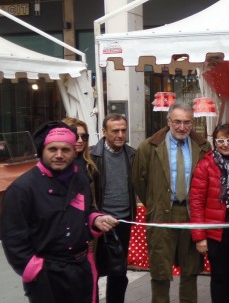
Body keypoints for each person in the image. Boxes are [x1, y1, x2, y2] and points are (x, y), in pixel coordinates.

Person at [1, 121, 118, 303]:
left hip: (81, 270)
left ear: (74, 151)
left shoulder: (80, 178)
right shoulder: (22, 189)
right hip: (46, 274)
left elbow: (88, 210)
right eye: (52, 149)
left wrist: (95, 219)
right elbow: (13, 239)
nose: (59, 155)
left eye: (65, 150)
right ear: (42, 151)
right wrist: (33, 269)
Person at [132, 102, 212, 303]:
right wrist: (155, 204)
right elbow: (138, 181)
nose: (182, 127)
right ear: (168, 121)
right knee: (160, 271)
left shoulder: (203, 147)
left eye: (187, 122)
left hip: (191, 215)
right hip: (161, 215)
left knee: (191, 270)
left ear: (193, 123)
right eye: (177, 122)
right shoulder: (149, 147)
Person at [190, 123, 229, 303]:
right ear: (215, 142)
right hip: (215, 231)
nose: (225, 144)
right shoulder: (205, 165)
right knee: (219, 275)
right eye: (221, 140)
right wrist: (199, 237)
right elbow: (196, 202)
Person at [89, 113, 136, 303]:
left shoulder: (132, 154)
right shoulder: (92, 156)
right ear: (104, 132)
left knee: (119, 273)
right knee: (94, 271)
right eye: (115, 130)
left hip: (123, 221)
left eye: (123, 130)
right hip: (98, 224)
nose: (120, 134)